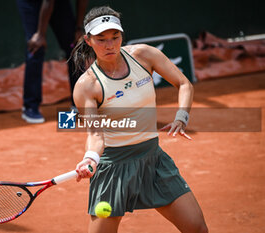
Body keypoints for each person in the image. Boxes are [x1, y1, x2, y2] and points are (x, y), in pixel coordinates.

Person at [72, 6, 209, 233]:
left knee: (197, 228)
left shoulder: (144, 55)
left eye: (115, 37)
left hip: (153, 160)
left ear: (122, 35)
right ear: (88, 40)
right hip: (113, 169)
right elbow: (95, 135)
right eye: (101, 39)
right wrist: (90, 159)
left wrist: (181, 117)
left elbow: (184, 83)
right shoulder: (87, 86)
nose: (110, 45)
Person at [16, 0, 88, 123]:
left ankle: (79, 102)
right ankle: (30, 106)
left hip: (58, 3)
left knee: (74, 46)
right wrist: (40, 35)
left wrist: (79, 28)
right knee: (36, 48)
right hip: (30, 3)